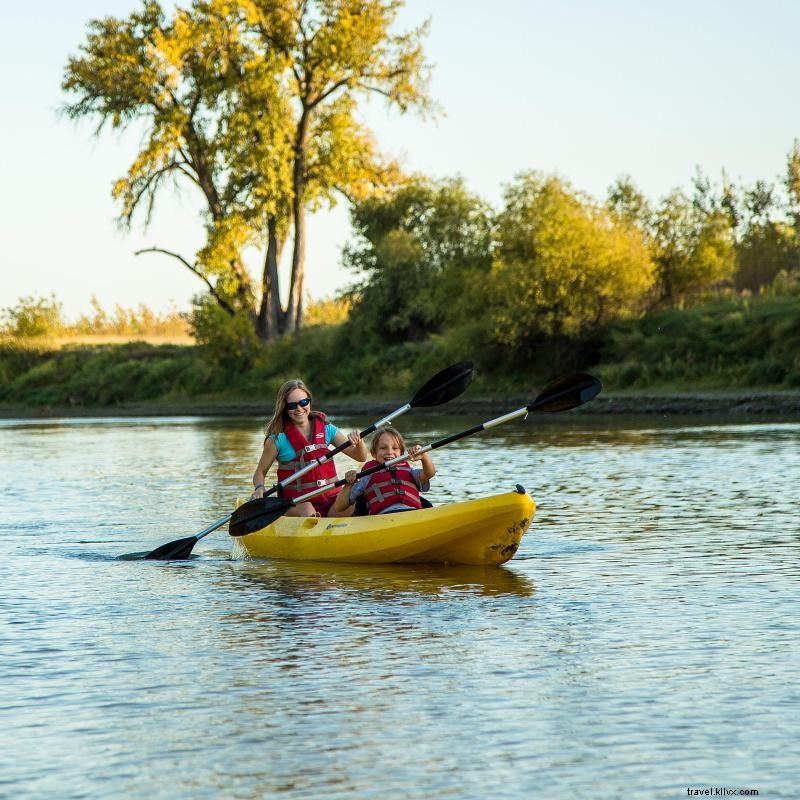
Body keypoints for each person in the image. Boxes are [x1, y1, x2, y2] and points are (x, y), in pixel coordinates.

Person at [251, 379, 369, 517]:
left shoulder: (327, 429)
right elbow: (260, 472)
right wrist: (259, 487)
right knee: (307, 509)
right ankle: (312, 527)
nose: (299, 409)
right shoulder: (277, 439)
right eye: (292, 405)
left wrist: (359, 442)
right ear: (284, 407)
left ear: (309, 401)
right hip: (298, 504)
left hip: (332, 501)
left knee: (357, 504)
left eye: (303, 402)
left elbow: (360, 457)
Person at [332, 426, 436, 516]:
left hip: (413, 514)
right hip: (384, 517)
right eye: (383, 448)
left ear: (401, 453)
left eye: (395, 448)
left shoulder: (409, 471)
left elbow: (429, 473)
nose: (390, 452)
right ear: (374, 453)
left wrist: (424, 456)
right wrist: (348, 483)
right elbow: (339, 507)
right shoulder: (367, 476)